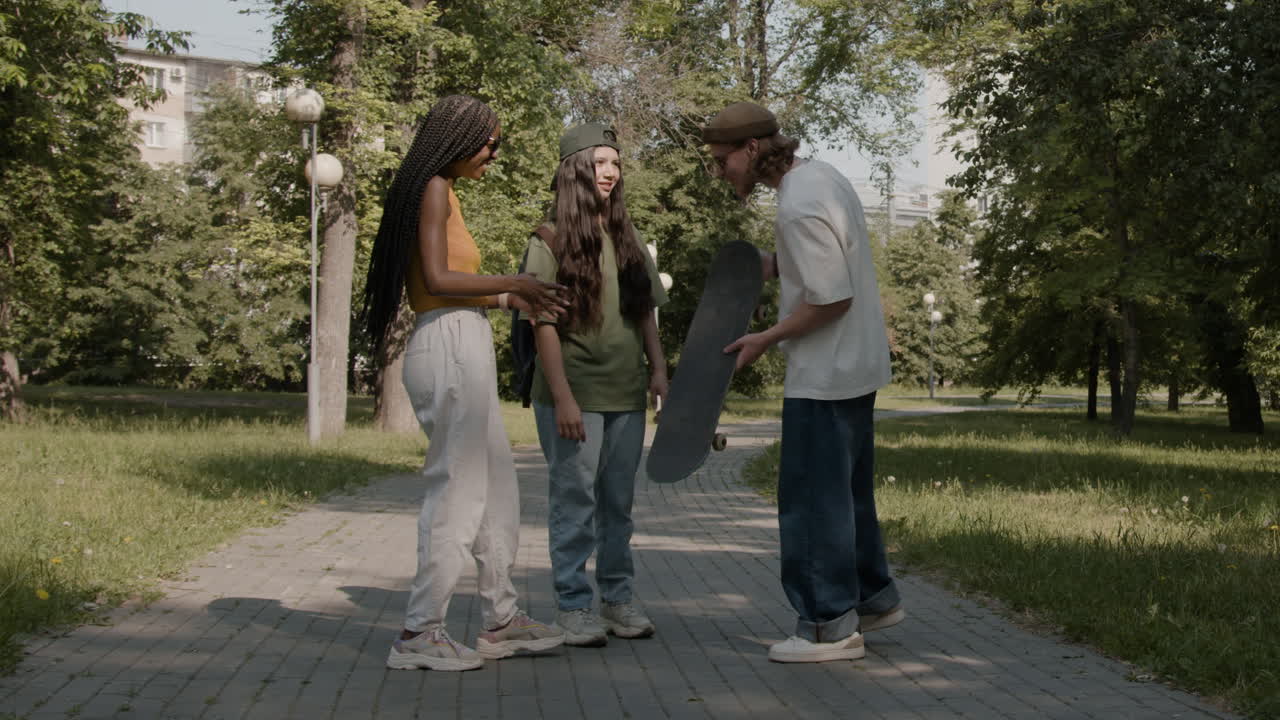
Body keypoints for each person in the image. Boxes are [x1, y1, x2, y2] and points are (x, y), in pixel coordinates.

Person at [361, 94, 567, 672]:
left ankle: (501, 620)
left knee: (499, 487)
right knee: (459, 489)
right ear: (458, 137)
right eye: (489, 142)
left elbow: (453, 284)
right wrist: (517, 281)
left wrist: (514, 298)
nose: (493, 154)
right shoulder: (430, 186)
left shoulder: (441, 190)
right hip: (448, 344)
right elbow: (435, 279)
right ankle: (419, 632)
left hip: (463, 335)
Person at [701, 102, 904, 663]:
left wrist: (764, 338)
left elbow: (831, 297)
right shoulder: (823, 177)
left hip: (824, 374)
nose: (722, 173)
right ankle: (871, 598)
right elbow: (829, 265)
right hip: (855, 369)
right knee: (847, 496)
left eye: (723, 162)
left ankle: (825, 624)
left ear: (752, 149)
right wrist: (778, 264)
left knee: (812, 502)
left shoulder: (796, 204)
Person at [522, 123, 669, 646]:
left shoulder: (629, 240)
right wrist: (563, 396)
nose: (609, 172)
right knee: (574, 503)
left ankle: (618, 599)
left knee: (617, 504)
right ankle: (572, 604)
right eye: (599, 162)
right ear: (574, 170)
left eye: (615, 163)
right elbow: (543, 326)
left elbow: (646, 313)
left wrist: (658, 370)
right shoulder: (548, 241)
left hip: (626, 394)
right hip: (574, 396)